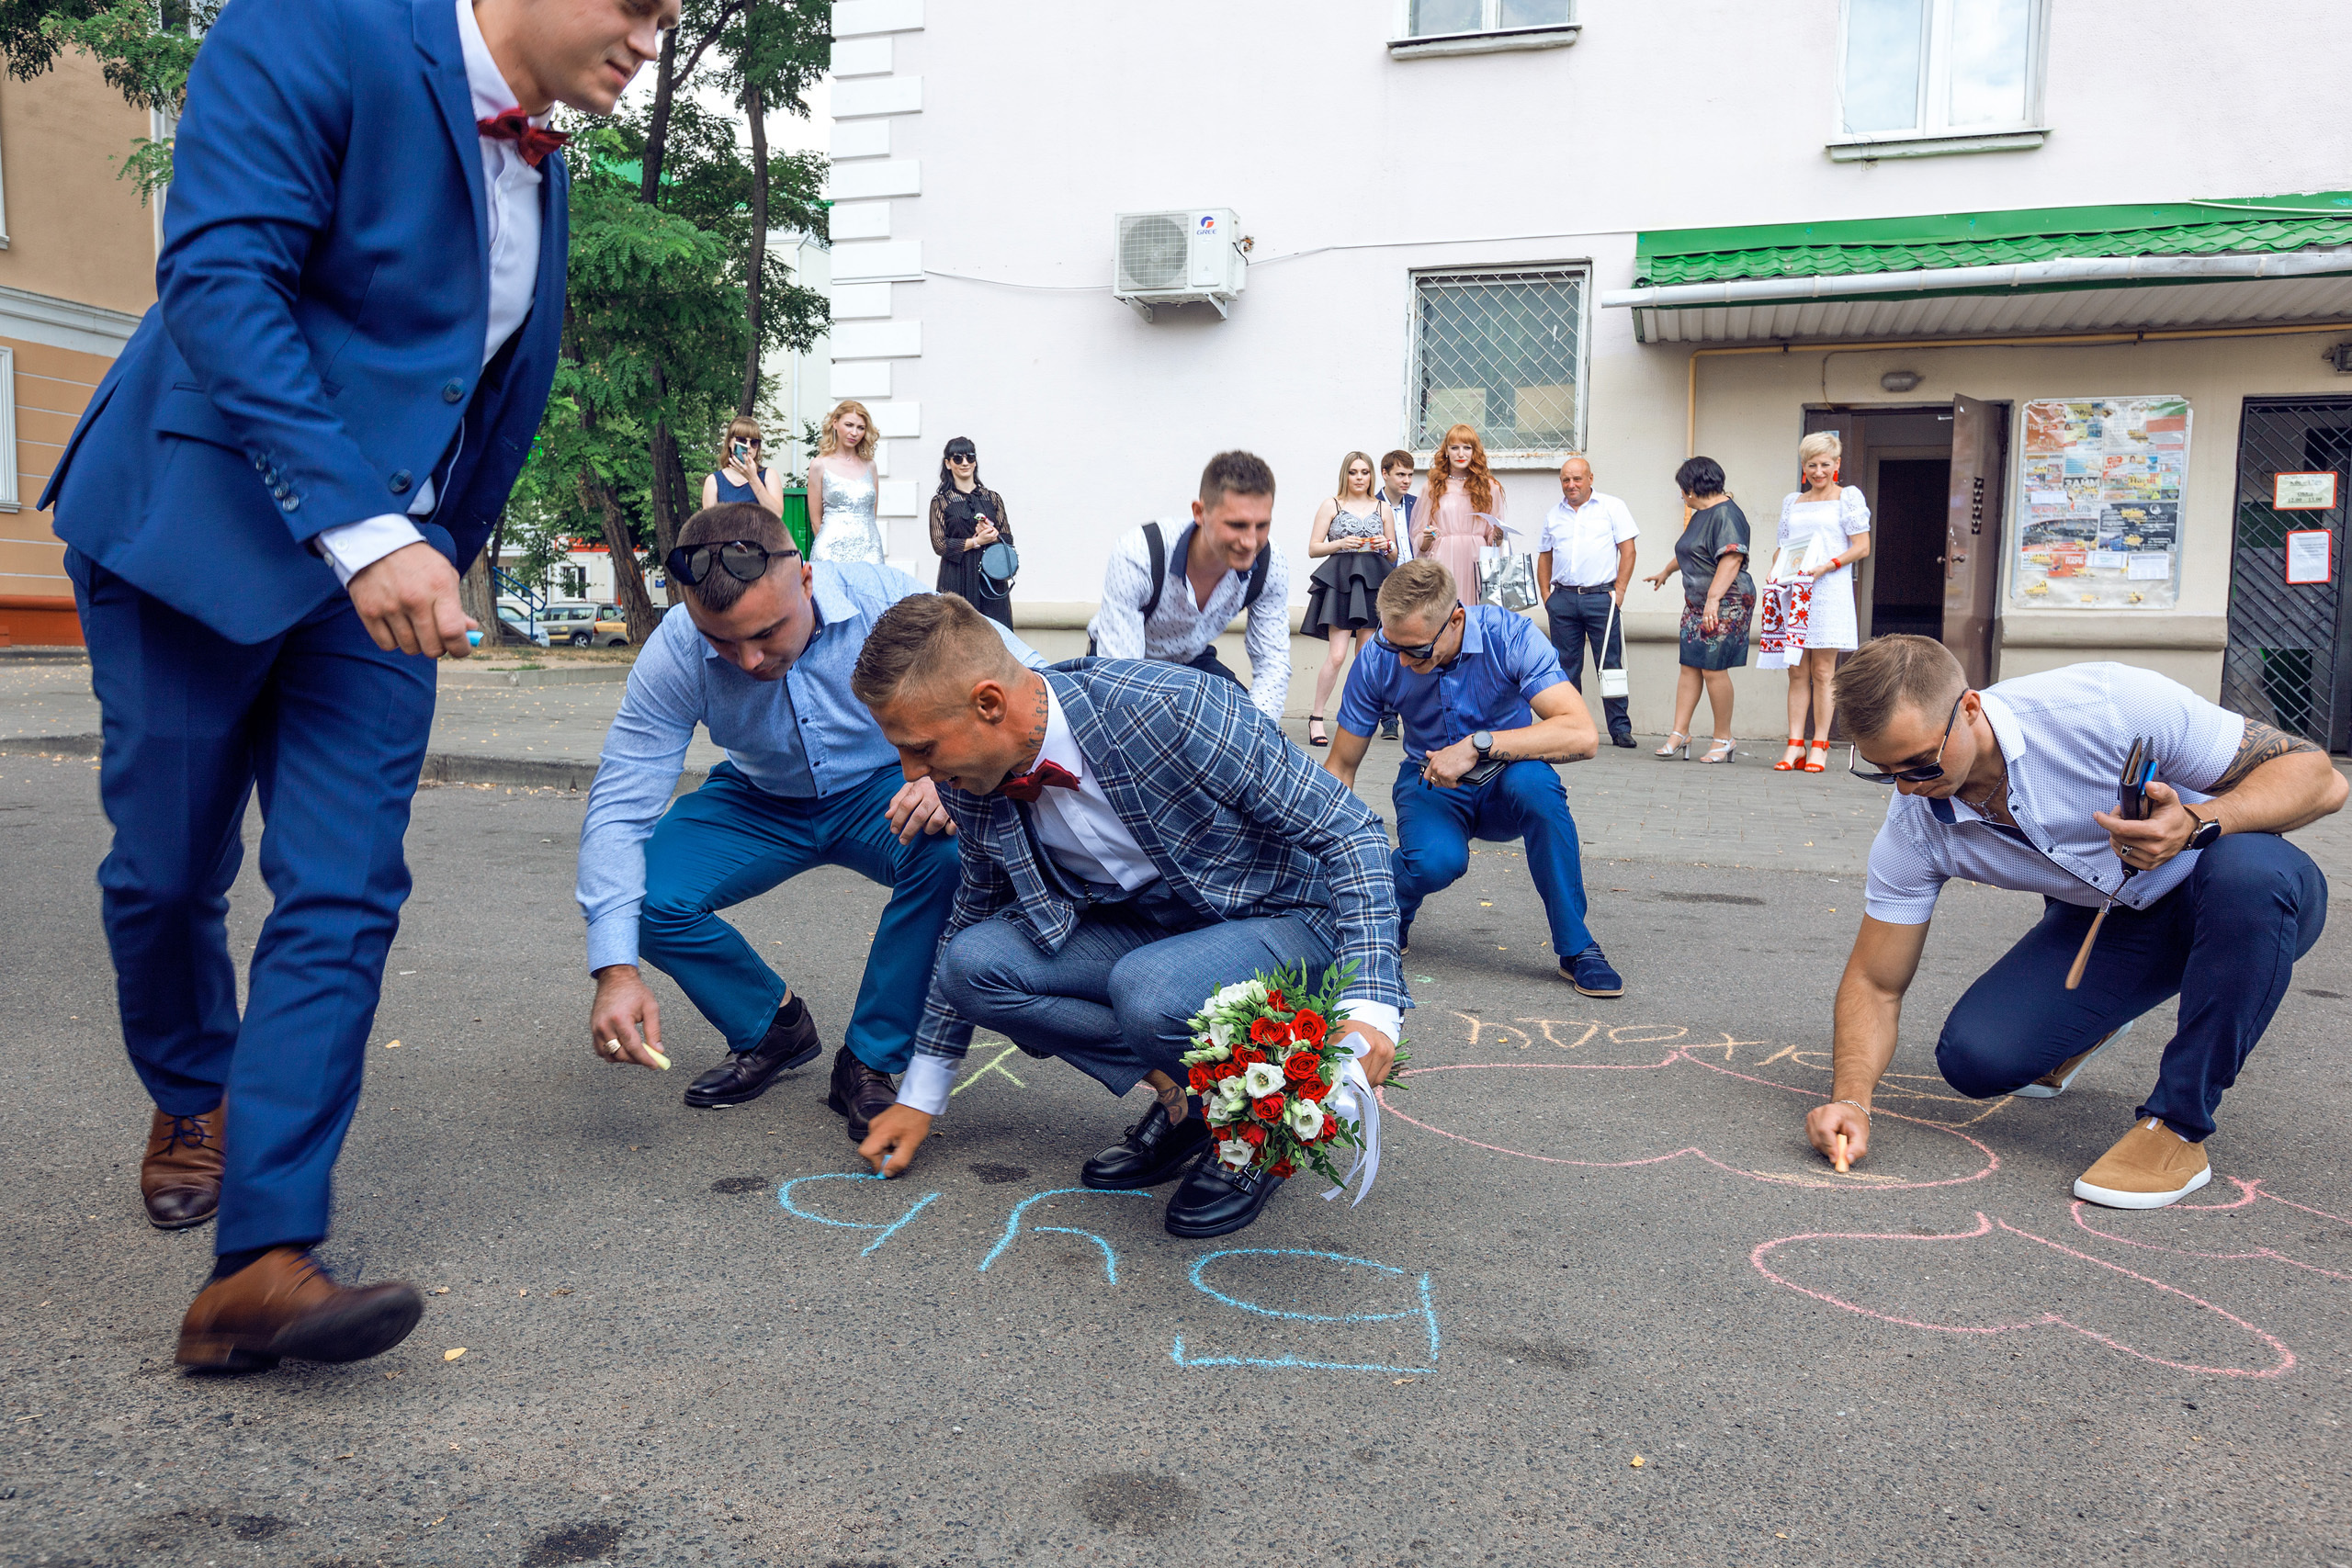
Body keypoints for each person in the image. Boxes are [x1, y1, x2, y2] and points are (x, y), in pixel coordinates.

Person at [34, 0, 665, 1371]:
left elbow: (485, 392)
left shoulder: (544, 165)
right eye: (639, 5)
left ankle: (262, 1257)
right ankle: (191, 1088)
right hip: (195, 527)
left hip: (387, 576)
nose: (648, 41)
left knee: (345, 889)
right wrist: (362, 527)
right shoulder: (315, 25)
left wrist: (438, 543)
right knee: (165, 870)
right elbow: (220, 281)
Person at [848, 593, 1405, 1239]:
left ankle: (1264, 1123)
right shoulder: (970, 783)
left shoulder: (1174, 708)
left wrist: (1372, 1007)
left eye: (919, 747)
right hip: (1162, 932)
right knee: (973, 965)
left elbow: (1351, 831)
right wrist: (921, 1095)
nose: (910, 772)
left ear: (989, 704)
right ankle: (1197, 1097)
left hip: (1291, 917)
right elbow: (967, 916)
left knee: (1149, 990)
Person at [1805, 637, 2343, 1209]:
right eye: (1883, 772)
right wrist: (1852, 1099)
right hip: (2112, 919)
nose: (1908, 786)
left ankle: (2178, 1126)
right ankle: (2098, 1021)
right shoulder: (1915, 824)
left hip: (2241, 899)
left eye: (1921, 764)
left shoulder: (2104, 705)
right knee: (1977, 1060)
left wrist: (2198, 821)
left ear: (1970, 708)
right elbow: (1876, 982)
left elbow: (2321, 778)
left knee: (2250, 873)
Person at [581, 503, 1047, 1142]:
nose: (748, 661)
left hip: (887, 786)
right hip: (758, 796)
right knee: (640, 897)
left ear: (805, 580)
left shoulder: (884, 598)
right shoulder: (677, 646)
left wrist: (945, 780)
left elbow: (1032, 675)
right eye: (723, 642)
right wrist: (615, 969)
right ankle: (771, 1027)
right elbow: (619, 804)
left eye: (767, 632)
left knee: (952, 856)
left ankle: (870, 1060)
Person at [1327, 559, 1623, 999]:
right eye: (1394, 645)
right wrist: (1322, 864)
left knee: (1538, 789)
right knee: (1435, 861)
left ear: (1456, 620)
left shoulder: (1511, 636)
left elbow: (1582, 734)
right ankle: (1388, 912)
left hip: (1507, 778)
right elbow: (1341, 767)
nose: (1403, 661)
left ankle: (1577, 948)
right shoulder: (1379, 657)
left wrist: (1476, 746)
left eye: (1417, 651)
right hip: (1430, 780)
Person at [1085, 450, 1293, 723]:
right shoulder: (1140, 554)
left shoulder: (1269, 564)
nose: (1250, 542)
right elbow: (1122, 680)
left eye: (1262, 525)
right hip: (1129, 663)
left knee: (1245, 726)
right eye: (1237, 525)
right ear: (1199, 512)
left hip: (1192, 661)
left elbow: (1273, 663)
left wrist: (1255, 735)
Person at [1767, 432, 1872, 772]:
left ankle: (1820, 745)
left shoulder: (1848, 498)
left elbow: (1862, 546)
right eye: (1812, 465)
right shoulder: (1793, 502)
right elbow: (1784, 548)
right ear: (1804, 467)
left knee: (1823, 671)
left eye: (1825, 464)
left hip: (1829, 590)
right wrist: (1775, 572)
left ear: (1837, 464)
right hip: (1794, 592)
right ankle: (1795, 744)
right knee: (1796, 670)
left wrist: (1828, 566)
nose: (1818, 471)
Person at [1643, 457, 1754, 764]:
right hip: (1698, 603)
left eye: (1682, 488)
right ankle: (1680, 733)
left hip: (1727, 601)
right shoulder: (1700, 514)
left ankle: (1724, 738)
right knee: (1690, 666)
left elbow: (1731, 558)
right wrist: (1666, 572)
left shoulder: (1727, 514)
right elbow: (1690, 551)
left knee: (1713, 669)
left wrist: (1713, 599)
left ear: (1691, 488)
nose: (1681, 495)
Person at [1535, 456, 1639, 750]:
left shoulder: (1612, 507)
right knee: (1565, 667)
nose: (1571, 485)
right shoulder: (1553, 515)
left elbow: (1628, 550)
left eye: (1577, 479)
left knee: (1611, 665)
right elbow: (1545, 556)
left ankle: (1620, 729)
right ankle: (1569, 727)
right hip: (1563, 599)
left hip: (1601, 598)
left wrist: (1620, 591)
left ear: (1590, 479)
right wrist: (1546, 595)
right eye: (1566, 480)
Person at [1301, 451, 1397, 748]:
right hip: (1342, 581)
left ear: (1371, 475)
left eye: (1364, 472)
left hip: (1372, 581)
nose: (1359, 478)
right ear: (1346, 475)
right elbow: (1313, 548)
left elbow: (1393, 554)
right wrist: (1341, 543)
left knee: (1365, 656)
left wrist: (1386, 544)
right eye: (1354, 472)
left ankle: (1356, 719)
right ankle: (1317, 717)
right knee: (1337, 654)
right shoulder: (1331, 504)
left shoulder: (1383, 507)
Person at [1414, 424, 1508, 604]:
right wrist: (1426, 538)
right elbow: (1419, 539)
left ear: (1474, 452)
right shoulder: (1432, 487)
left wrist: (1498, 535)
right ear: (1446, 451)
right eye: (1454, 448)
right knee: (1445, 610)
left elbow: (1494, 542)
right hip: (1444, 559)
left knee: (1475, 612)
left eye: (1467, 448)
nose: (1461, 454)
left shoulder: (1490, 487)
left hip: (1477, 559)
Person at [928, 436, 1014, 628]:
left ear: (975, 462)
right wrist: (976, 541)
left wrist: (992, 534)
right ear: (948, 464)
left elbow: (1007, 539)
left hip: (991, 576)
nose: (965, 463)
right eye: (958, 458)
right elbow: (939, 545)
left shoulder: (992, 498)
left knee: (996, 632)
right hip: (956, 575)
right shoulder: (941, 501)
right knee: (956, 631)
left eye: (970, 457)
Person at [808, 399, 885, 566]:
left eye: (861, 428)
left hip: (869, 549)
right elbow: (815, 520)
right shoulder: (819, 465)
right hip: (830, 550)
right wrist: (827, 554)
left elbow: (872, 514)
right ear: (835, 423)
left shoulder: (870, 466)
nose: (854, 433)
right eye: (849, 425)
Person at [1374, 452, 1416, 740]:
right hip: (1386, 583)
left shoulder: (1418, 504)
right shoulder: (1372, 505)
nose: (1407, 480)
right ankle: (1389, 718)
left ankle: (1414, 715)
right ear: (1385, 473)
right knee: (1388, 651)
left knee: (1416, 649)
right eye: (1401, 474)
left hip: (1416, 583)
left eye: (1410, 475)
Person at [700, 415, 785, 517]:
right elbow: (708, 522)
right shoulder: (714, 481)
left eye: (754, 442)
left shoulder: (769, 475)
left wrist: (753, 479)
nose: (748, 446)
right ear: (730, 442)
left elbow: (776, 514)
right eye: (741, 441)